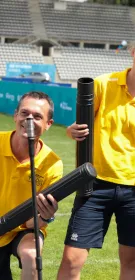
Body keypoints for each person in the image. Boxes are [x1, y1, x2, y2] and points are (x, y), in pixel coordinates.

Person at [57, 32, 135, 280]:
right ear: (133, 52)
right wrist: (71, 130)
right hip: (94, 185)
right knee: (72, 259)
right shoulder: (103, 84)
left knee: (130, 260)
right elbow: (81, 126)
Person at [0, 91, 63, 280]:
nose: (29, 119)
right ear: (15, 116)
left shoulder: (53, 164)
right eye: (24, 113)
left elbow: (35, 222)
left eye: (37, 116)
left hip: (24, 228)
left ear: (48, 124)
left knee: (32, 256)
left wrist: (45, 216)